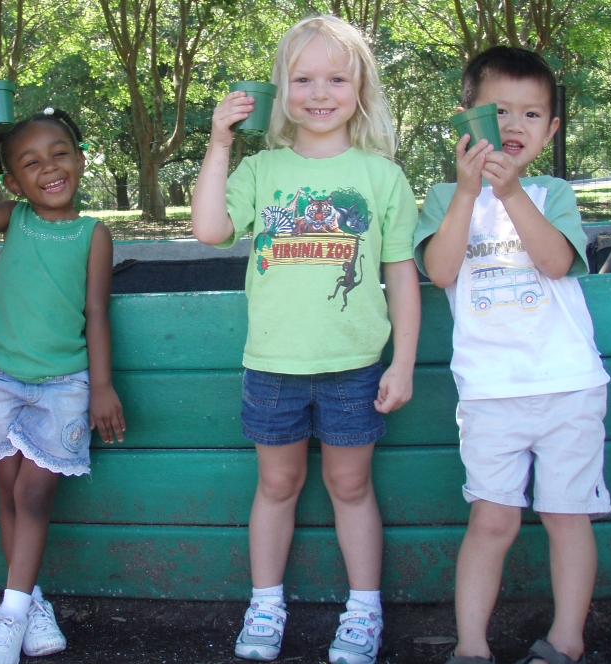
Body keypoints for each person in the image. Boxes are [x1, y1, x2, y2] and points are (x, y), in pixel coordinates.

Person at [192, 15, 421, 664]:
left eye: (336, 78)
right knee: (277, 486)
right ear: (282, 91)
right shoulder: (263, 169)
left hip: (355, 366)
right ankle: (265, 604)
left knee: (351, 487)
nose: (320, 93)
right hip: (274, 365)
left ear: (361, 88)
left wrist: (401, 364)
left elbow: (402, 277)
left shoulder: (382, 178)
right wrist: (219, 141)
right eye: (303, 79)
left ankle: (363, 610)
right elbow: (210, 228)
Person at [415, 46, 611, 664]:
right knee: (492, 522)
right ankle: (471, 646)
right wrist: (469, 194)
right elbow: (442, 271)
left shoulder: (553, 193)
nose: (514, 127)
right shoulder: (445, 196)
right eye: (498, 111)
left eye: (532, 115)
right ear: (465, 118)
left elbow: (555, 263)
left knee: (565, 516)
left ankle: (566, 641)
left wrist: (514, 191)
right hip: (490, 395)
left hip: (568, 387)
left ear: (551, 130)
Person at [0, 98, 125, 663]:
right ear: (12, 180)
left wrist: (102, 386)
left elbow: (96, 312)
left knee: (33, 492)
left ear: (79, 159)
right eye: (30, 163)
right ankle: (28, 602)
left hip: (63, 386)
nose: (48, 168)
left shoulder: (93, 233)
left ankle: (8, 615)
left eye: (59, 154)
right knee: (7, 490)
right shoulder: (16, 219)